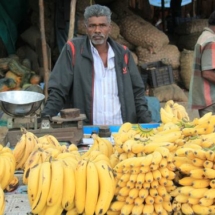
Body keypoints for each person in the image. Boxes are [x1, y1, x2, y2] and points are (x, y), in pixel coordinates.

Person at [42, 4, 152, 125]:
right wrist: (46, 117)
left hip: (121, 131)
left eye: (102, 25)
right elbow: (58, 89)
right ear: (86, 28)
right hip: (86, 132)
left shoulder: (123, 54)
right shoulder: (73, 50)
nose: (97, 30)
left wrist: (148, 122)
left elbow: (138, 93)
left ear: (109, 28)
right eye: (92, 26)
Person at [189, 10, 215, 117]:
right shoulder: (211, 41)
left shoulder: (204, 37)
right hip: (210, 100)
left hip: (205, 98)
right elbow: (207, 73)